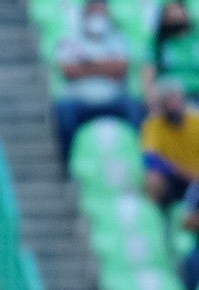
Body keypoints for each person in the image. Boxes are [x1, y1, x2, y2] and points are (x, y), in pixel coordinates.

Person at [51, 0, 143, 168]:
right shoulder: (70, 40)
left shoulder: (118, 38)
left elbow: (121, 68)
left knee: (134, 107)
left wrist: (87, 65)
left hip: (113, 99)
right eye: (93, 12)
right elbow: (68, 71)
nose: (97, 17)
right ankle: (68, 164)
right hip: (80, 100)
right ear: (84, 14)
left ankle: (141, 161)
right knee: (63, 111)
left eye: (100, 12)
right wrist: (106, 66)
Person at [141, 78, 199, 214]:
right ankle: (153, 219)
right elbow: (151, 160)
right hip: (173, 177)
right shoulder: (153, 125)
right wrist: (184, 173)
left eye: (174, 99)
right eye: (166, 101)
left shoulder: (196, 121)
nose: (172, 105)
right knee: (153, 179)